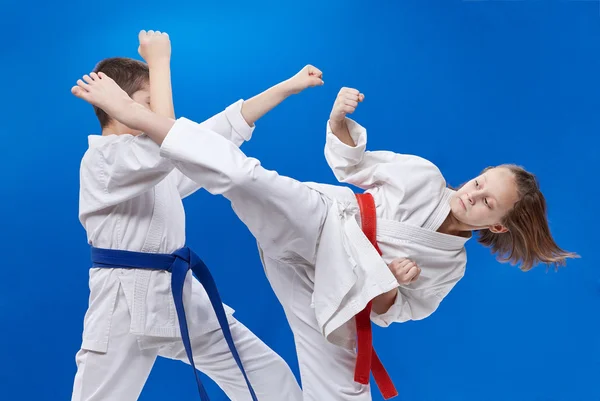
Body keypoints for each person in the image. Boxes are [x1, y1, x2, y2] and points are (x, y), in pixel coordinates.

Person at [70, 71, 577, 401]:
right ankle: (145, 118)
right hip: (321, 222)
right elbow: (353, 165)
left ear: (498, 224)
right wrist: (338, 121)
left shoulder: (451, 265)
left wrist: (391, 289)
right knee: (247, 178)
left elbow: (399, 311)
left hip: (339, 293)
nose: (471, 194)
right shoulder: (423, 175)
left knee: (340, 396)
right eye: (478, 182)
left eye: (487, 200)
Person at [71, 30, 324, 401]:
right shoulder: (105, 160)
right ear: (116, 105)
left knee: (266, 376)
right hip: (122, 302)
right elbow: (168, 146)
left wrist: (285, 88)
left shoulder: (150, 163)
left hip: (179, 296)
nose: (156, 112)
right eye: (147, 102)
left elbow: (211, 139)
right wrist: (159, 62)